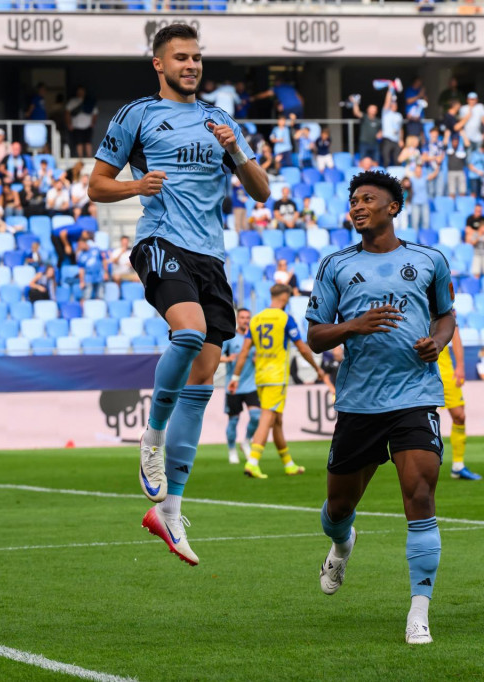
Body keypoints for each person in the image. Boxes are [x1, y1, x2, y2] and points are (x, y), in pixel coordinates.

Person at [88, 23, 270, 567]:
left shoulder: (221, 120)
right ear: (159, 64)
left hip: (210, 258)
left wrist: (237, 150)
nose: (191, 65)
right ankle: (152, 437)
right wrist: (134, 186)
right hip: (161, 241)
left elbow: (262, 191)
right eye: (181, 57)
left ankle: (169, 509)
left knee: (204, 378)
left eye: (196, 57)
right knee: (188, 332)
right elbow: (96, 185)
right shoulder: (136, 115)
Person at [305, 170, 455, 645]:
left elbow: (446, 315)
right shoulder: (335, 265)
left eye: (368, 198)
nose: (357, 205)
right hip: (359, 402)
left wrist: (438, 341)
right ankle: (342, 541)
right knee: (338, 508)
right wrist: (354, 325)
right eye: (353, 200)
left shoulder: (430, 260)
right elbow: (314, 335)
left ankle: (418, 611)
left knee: (421, 497)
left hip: (416, 396)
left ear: (393, 207)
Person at [228, 284, 328, 478]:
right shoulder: (285, 319)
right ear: (285, 297)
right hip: (276, 377)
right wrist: (317, 369)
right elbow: (303, 348)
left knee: (277, 421)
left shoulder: (256, 320)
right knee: (267, 417)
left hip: (260, 377)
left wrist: (235, 377)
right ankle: (253, 461)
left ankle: (288, 463)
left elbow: (244, 352)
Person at [438, 326, 481, 481]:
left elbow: (454, 333)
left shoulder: (441, 302)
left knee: (459, 416)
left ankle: (458, 465)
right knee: (420, 416)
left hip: (445, 369)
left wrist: (460, 367)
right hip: (420, 370)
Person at [220, 308, 260, 465]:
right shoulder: (231, 338)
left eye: (248, 317)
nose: (245, 320)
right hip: (233, 387)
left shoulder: (255, 338)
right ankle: (231, 450)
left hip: (251, 385)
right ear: (238, 319)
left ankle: (246, 441)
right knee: (233, 421)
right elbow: (217, 356)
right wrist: (228, 358)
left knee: (256, 416)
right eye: (242, 317)